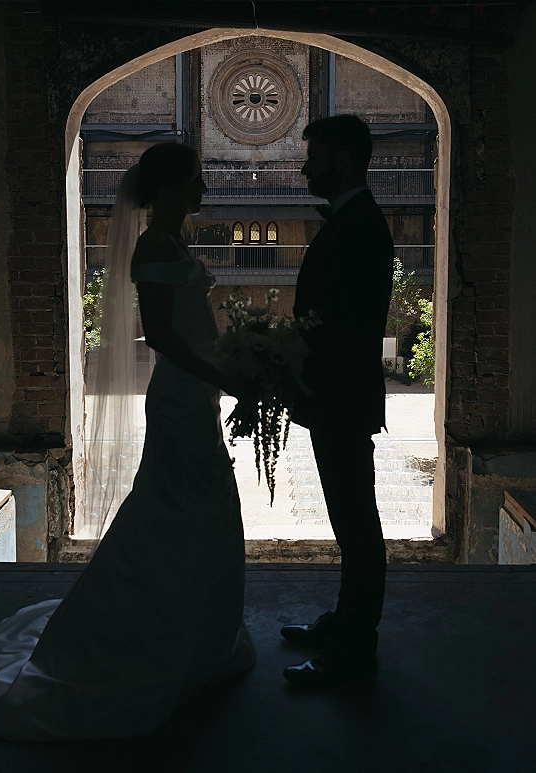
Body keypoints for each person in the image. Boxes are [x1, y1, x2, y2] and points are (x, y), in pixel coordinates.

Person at [0, 143, 255, 741]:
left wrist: (235, 359)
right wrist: (228, 375)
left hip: (197, 395)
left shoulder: (174, 243)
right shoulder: (152, 246)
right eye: (195, 181)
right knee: (179, 505)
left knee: (197, 508)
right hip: (181, 398)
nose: (204, 190)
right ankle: (154, 625)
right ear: (169, 189)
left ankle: (190, 626)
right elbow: (163, 337)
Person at [281, 115, 394, 687]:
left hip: (342, 398)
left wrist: (292, 362)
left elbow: (345, 328)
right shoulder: (354, 221)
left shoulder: (361, 226)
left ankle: (354, 650)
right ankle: (346, 624)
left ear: (343, 160)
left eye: (315, 157)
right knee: (351, 523)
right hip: (338, 397)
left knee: (357, 526)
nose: (305, 169)